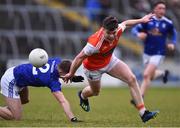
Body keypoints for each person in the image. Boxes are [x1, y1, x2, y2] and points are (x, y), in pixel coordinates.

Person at [63, 14, 159, 123]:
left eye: (113, 33)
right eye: (109, 33)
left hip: (109, 61)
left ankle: (143, 113)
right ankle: (82, 95)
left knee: (131, 79)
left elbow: (126, 23)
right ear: (103, 29)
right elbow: (79, 58)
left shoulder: (117, 29)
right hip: (93, 68)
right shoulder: (94, 44)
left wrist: (141, 20)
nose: (112, 36)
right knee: (95, 92)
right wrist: (71, 73)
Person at [0, 57, 84, 122]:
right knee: (16, 117)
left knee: (25, 100)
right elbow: (62, 101)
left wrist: (72, 77)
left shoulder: (57, 60)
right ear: (63, 73)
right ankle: (9, 110)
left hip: (17, 73)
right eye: (70, 73)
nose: (71, 74)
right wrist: (72, 118)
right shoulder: (51, 81)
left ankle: (8, 109)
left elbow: (59, 71)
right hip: (11, 80)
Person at [131, 1, 177, 99]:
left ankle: (139, 98)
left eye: (164, 8)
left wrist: (172, 43)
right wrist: (138, 34)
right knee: (150, 76)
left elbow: (174, 34)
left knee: (146, 75)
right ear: (155, 9)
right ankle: (163, 73)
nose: (162, 10)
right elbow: (134, 29)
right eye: (160, 8)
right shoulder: (148, 20)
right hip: (147, 52)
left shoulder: (167, 23)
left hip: (159, 53)